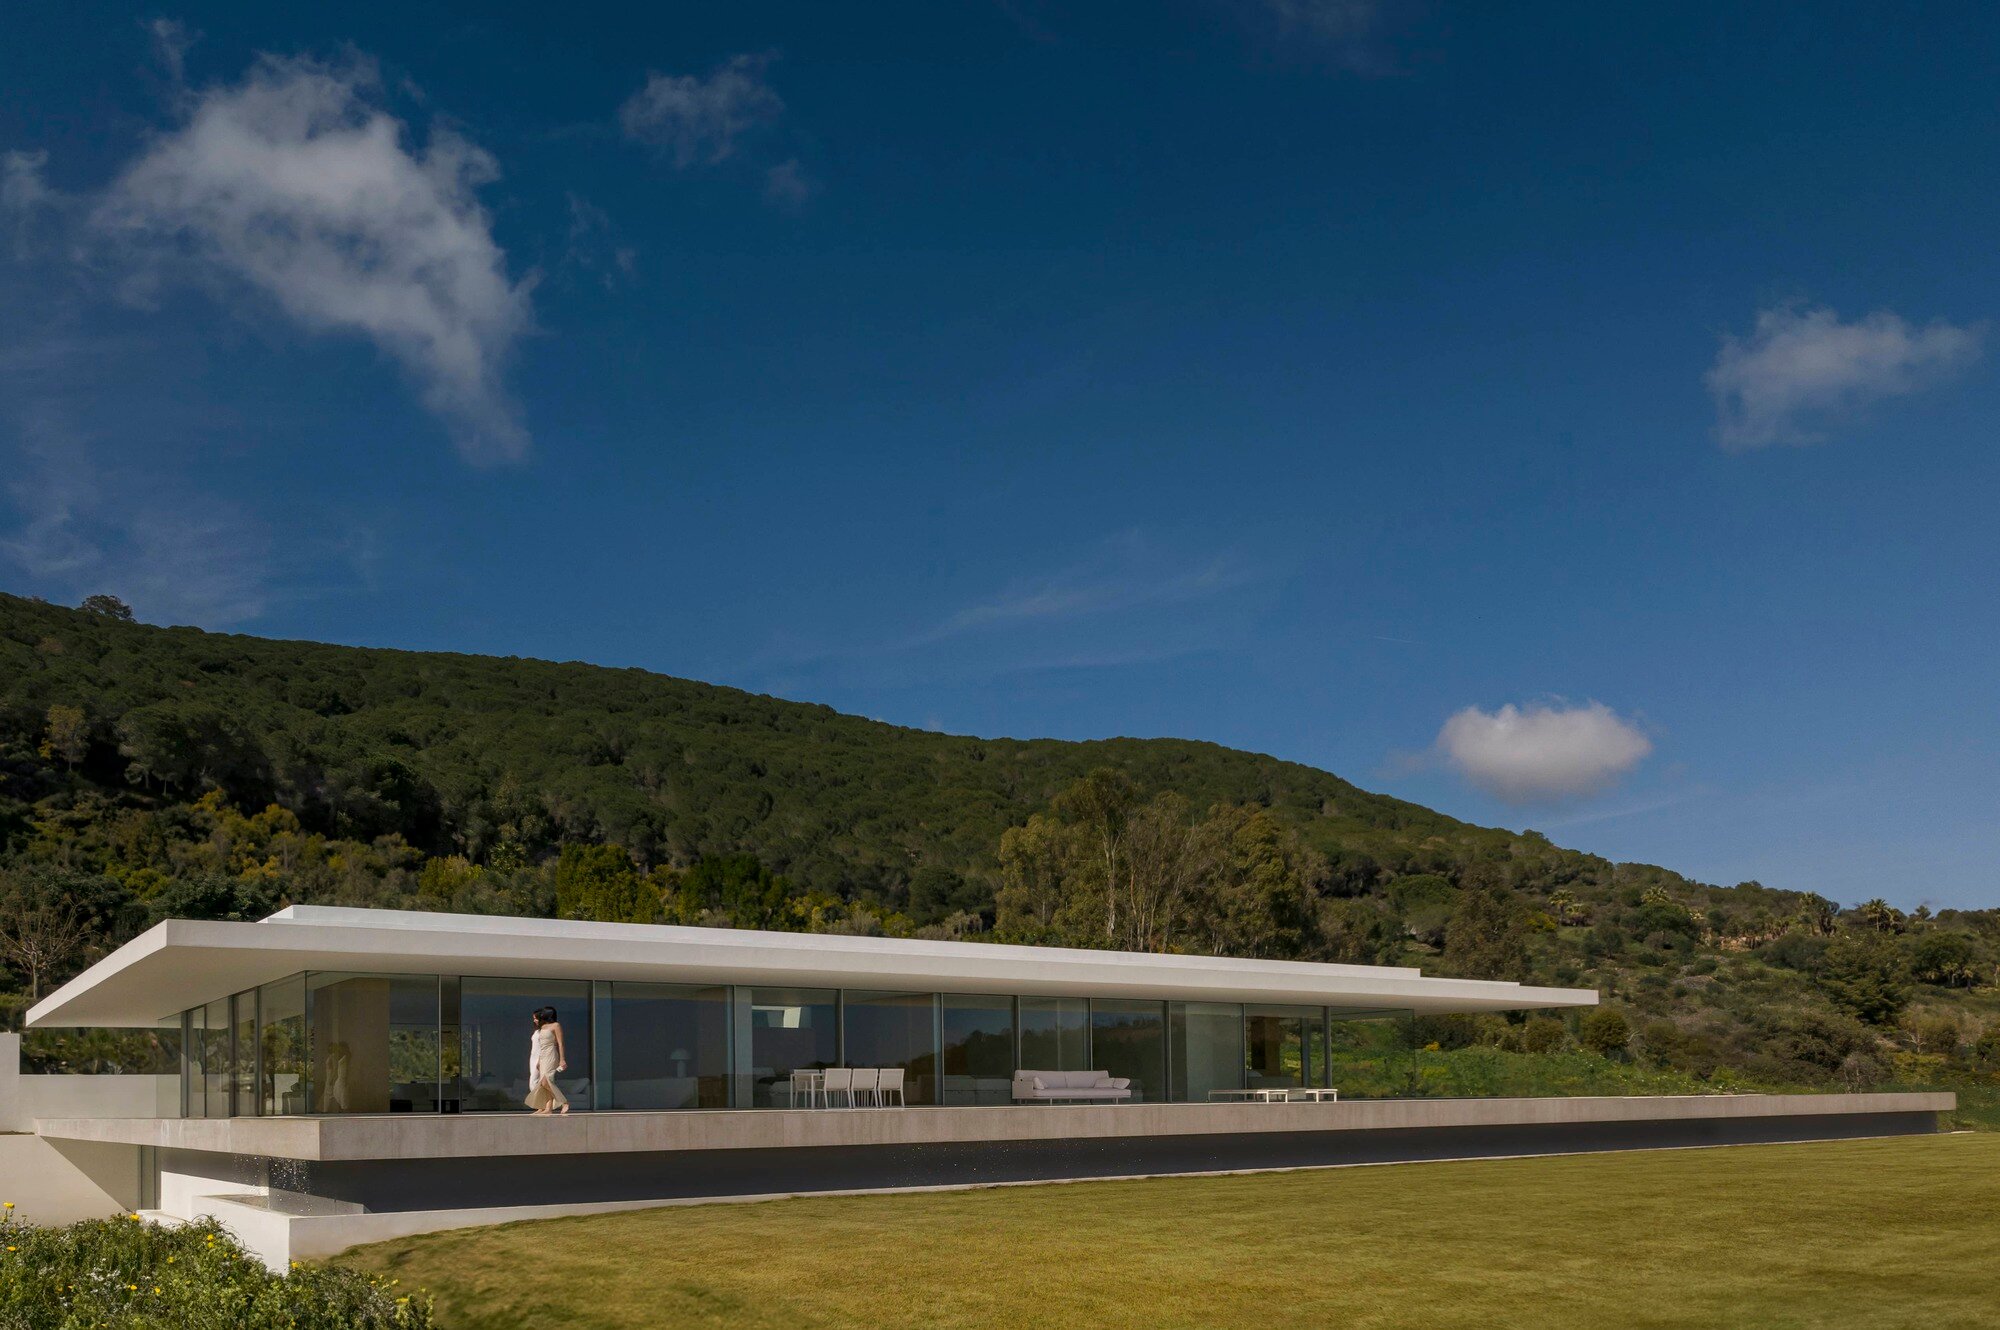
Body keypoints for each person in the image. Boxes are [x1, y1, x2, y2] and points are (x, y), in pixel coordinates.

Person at [525, 1006, 569, 1115]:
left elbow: (560, 1044)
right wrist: (539, 1060)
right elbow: (541, 1046)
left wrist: (562, 1059)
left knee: (545, 1081)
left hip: (551, 1054)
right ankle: (548, 1108)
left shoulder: (556, 1025)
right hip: (543, 1056)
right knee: (544, 1083)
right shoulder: (543, 1027)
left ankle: (564, 1102)